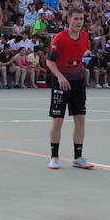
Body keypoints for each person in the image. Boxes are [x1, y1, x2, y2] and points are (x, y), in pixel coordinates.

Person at [45, 9, 93, 169]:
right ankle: (54, 157)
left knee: (80, 119)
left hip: (78, 82)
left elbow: (81, 53)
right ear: (69, 20)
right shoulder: (59, 38)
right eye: (76, 19)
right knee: (58, 120)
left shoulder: (85, 36)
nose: (79, 22)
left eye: (81, 19)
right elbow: (50, 62)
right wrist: (60, 77)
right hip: (61, 82)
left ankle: (78, 158)